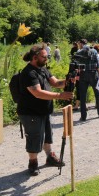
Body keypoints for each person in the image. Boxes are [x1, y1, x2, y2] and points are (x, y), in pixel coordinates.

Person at [17, 45, 74, 175]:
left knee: (48, 135)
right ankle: (33, 163)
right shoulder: (28, 73)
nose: (47, 59)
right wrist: (60, 96)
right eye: (44, 57)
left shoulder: (43, 69)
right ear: (34, 57)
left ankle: (50, 157)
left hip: (44, 110)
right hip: (30, 112)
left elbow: (55, 83)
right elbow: (38, 93)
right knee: (34, 137)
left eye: (47, 56)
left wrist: (69, 80)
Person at [75, 39, 99, 121]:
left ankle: (83, 116)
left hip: (83, 75)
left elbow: (76, 66)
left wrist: (76, 75)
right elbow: (98, 65)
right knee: (97, 94)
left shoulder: (79, 52)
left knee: (82, 96)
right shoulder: (94, 51)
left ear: (82, 44)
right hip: (93, 74)